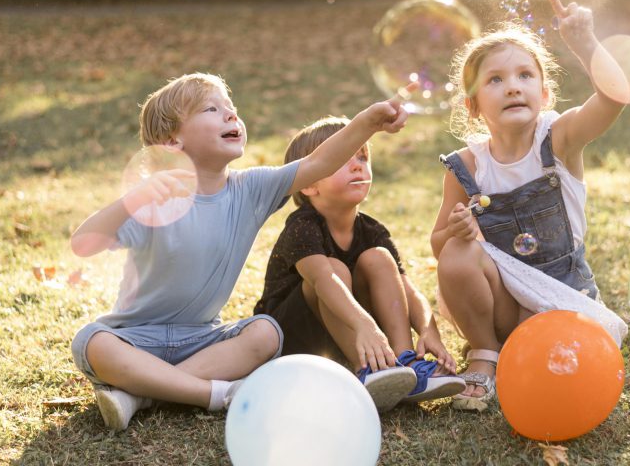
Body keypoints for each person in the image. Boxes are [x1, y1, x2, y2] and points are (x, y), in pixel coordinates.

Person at [69, 73, 415, 430]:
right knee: (93, 342)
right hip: (135, 339)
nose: (231, 114)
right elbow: (82, 243)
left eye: (231, 107)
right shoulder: (151, 200)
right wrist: (132, 200)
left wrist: (368, 122)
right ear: (172, 141)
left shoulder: (250, 190)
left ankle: (140, 395)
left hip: (201, 341)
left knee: (266, 333)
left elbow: (318, 164)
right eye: (211, 109)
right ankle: (215, 394)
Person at [431, 0, 629, 411]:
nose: (512, 87)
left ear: (545, 93)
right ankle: (485, 352)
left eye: (525, 76)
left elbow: (614, 98)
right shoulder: (467, 166)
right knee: (458, 254)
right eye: (495, 80)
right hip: (504, 301)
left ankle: (523, 350)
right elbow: (438, 247)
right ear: (473, 106)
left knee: (559, 370)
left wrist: (584, 42)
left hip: (562, 296)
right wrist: (456, 231)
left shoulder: (559, 139)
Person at [254, 117, 465, 412]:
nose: (357, 166)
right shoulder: (301, 226)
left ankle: (404, 362)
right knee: (334, 270)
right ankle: (368, 371)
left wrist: (429, 331)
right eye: (343, 159)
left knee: (378, 258)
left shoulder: (371, 230)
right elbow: (323, 280)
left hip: (357, 332)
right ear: (309, 184)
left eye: (362, 157)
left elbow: (407, 289)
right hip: (294, 337)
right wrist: (365, 325)